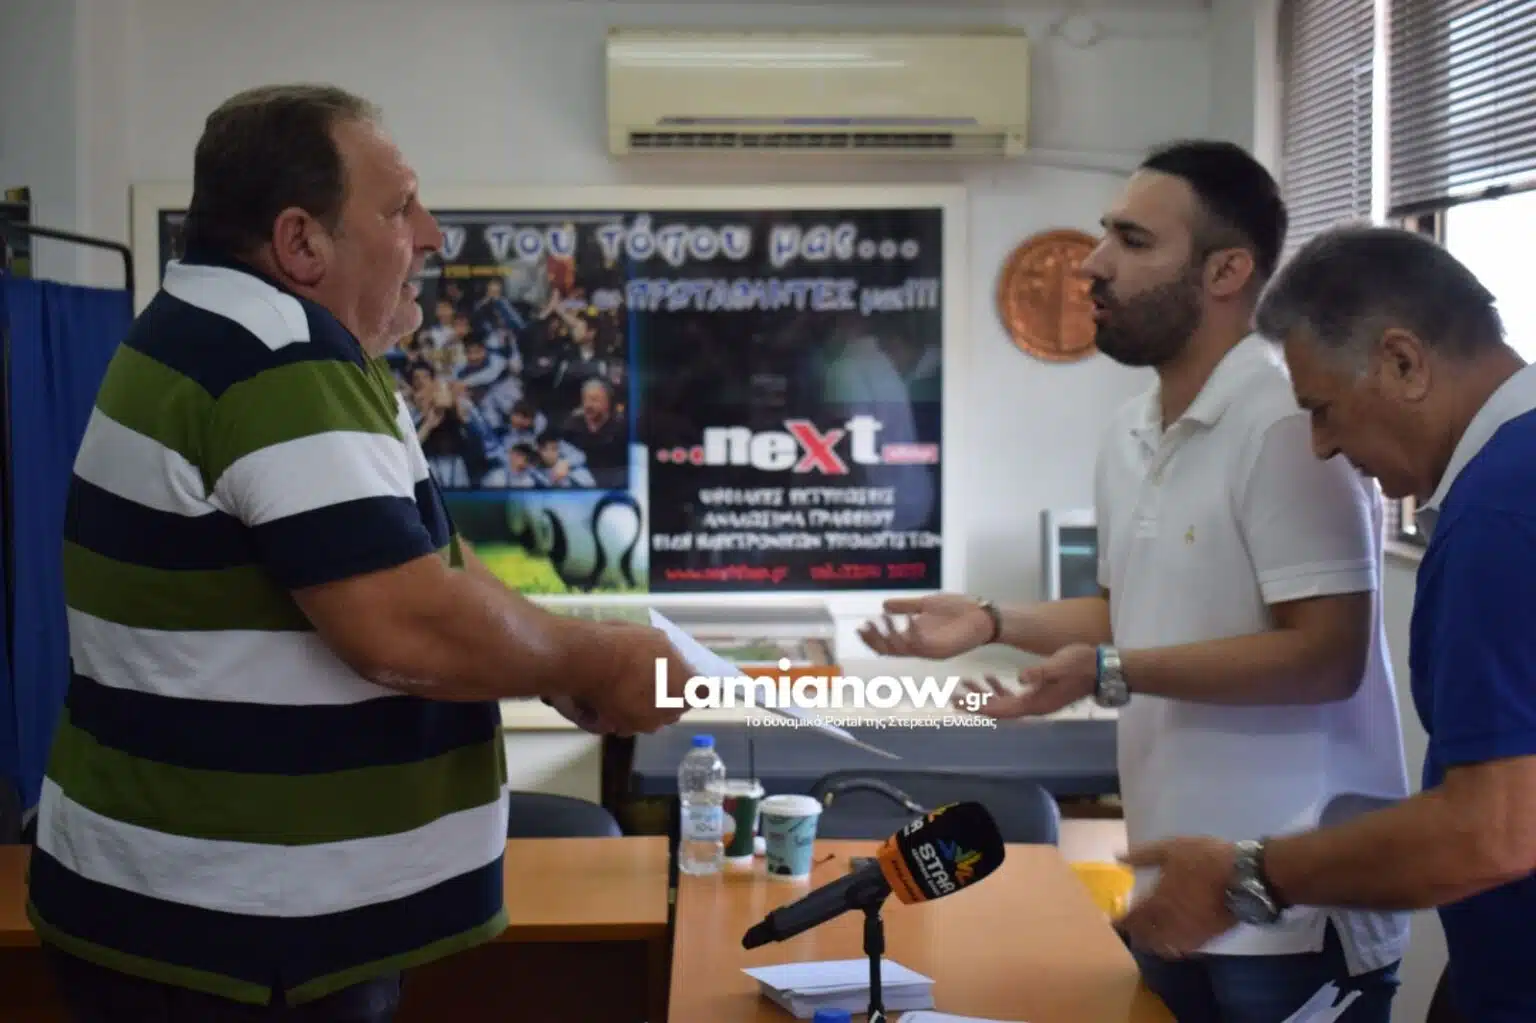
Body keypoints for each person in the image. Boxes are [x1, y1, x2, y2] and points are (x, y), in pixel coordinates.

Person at [26, 83, 693, 1022]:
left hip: (200, 918)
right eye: (399, 208)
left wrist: (551, 660)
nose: (432, 235)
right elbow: (401, 624)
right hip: (228, 944)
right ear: (302, 242)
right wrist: (595, 659)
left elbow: (428, 562)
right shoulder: (277, 357)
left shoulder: (227, 331)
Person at [858, 140, 1410, 1023]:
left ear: (1226, 270)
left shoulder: (1284, 423)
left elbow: (1326, 655)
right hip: (1175, 884)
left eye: (1133, 240)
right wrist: (992, 620)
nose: (1093, 263)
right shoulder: (1130, 429)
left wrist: (1111, 671)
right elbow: (1130, 612)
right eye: (1105, 234)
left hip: (1289, 903)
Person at [1117, 225, 1536, 1023]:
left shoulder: (1500, 514)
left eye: (1322, 409)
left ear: (1403, 362)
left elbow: (1493, 830)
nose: (1321, 446)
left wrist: (1252, 872)